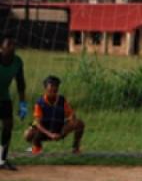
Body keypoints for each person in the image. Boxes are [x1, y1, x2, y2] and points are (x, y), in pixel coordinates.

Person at [24, 75, 85, 155]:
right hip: (44, 131)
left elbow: (71, 115)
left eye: (55, 91)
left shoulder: (62, 100)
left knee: (79, 123)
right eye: (50, 91)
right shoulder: (39, 103)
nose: (53, 93)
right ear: (45, 90)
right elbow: (37, 123)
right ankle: (37, 147)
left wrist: (71, 118)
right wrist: (51, 134)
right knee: (28, 133)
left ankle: (75, 148)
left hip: (59, 129)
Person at [0, 36, 26, 171]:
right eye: (7, 46)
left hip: (4, 97)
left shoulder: (17, 62)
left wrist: (22, 104)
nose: (11, 48)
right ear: (1, 48)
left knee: (8, 126)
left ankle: (2, 159)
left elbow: (20, 83)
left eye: (13, 46)